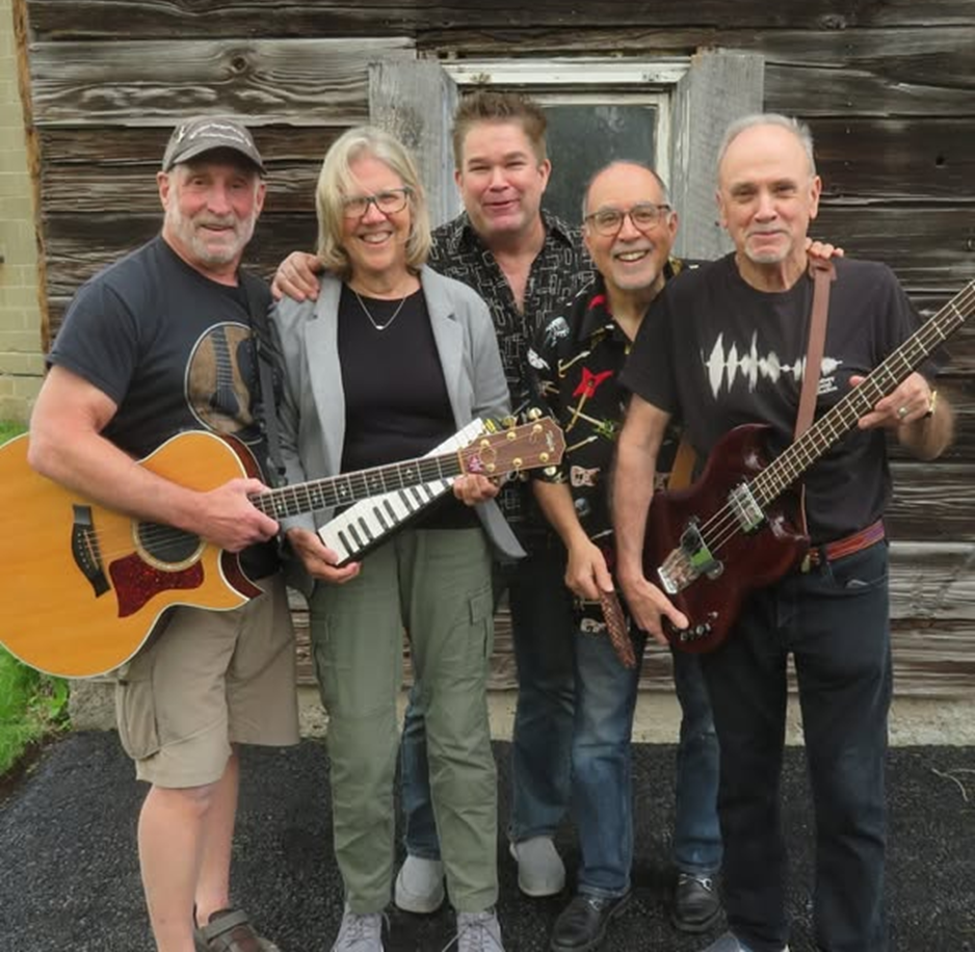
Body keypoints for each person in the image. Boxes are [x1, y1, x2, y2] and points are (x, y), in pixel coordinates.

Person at [612, 113, 954, 953]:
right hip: (730, 573)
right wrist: (631, 570)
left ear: (813, 197)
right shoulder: (688, 302)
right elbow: (639, 442)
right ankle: (757, 932)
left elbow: (931, 438)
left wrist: (917, 410)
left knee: (852, 789)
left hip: (844, 574)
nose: (764, 208)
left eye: (780, 189)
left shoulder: (869, 289)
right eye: (744, 193)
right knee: (743, 780)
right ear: (720, 207)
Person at [272, 91, 592, 906]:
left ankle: (497, 880)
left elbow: (493, 418)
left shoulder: (491, 290)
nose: (373, 215)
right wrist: (299, 526)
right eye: (355, 201)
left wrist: (491, 470)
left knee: (482, 715)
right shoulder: (305, 304)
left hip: (487, 523)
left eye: (388, 197)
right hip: (358, 540)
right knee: (375, 733)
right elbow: (281, 437)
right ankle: (384, 884)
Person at [27, 116, 299, 952]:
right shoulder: (123, 295)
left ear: (259, 198)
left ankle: (215, 913)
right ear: (164, 190)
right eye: (199, 182)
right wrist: (194, 512)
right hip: (158, 582)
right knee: (182, 778)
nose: (218, 203)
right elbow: (53, 440)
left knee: (221, 753)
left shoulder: (258, 297)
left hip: (243, 572)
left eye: (235, 185)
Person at [528, 160, 724, 951]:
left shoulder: (718, 303)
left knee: (709, 723)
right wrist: (575, 542)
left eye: (643, 214)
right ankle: (602, 878)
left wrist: (819, 257)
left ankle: (701, 865)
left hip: (711, 560)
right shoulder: (557, 332)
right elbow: (537, 453)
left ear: (672, 224)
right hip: (601, 567)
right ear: (585, 237)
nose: (628, 232)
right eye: (607, 219)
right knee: (597, 733)